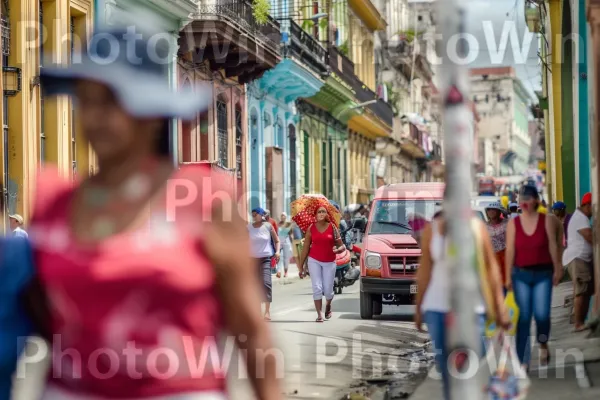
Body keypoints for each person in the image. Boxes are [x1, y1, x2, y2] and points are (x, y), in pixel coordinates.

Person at [28, 20, 282, 400]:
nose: (94, 118)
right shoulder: (54, 206)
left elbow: (250, 329)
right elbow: (42, 315)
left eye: (112, 101)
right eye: (87, 101)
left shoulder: (204, 201)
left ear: (150, 110)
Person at [415, 206, 509, 400]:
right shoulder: (432, 230)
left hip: (472, 307)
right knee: (446, 366)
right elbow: (425, 271)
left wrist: (500, 306)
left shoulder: (476, 227)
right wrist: (418, 307)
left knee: (475, 360)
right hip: (437, 307)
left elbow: (491, 268)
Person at [505, 185, 563, 369]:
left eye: (528, 198)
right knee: (523, 317)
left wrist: (558, 267)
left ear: (536, 200)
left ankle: (543, 344)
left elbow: (554, 246)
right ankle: (523, 360)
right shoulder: (513, 224)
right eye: (523, 199)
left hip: (543, 274)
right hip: (520, 274)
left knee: (542, 315)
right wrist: (507, 276)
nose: (525, 202)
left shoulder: (546, 220)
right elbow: (510, 251)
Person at [296, 203, 345, 322]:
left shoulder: (332, 227)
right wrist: (301, 267)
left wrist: (337, 249)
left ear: (327, 214)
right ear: (315, 215)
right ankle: (319, 315)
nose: (321, 213)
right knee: (317, 287)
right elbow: (306, 248)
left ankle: (328, 304)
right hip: (314, 260)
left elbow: (342, 246)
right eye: (319, 212)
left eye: (323, 211)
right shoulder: (310, 228)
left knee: (328, 290)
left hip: (329, 261)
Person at [562, 193, 594, 332]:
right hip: (577, 258)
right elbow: (589, 237)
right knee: (581, 291)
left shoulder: (580, 217)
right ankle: (579, 323)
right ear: (587, 205)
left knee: (585, 290)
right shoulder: (581, 218)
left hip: (580, 258)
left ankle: (581, 321)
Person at [249, 208, 281, 320]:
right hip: (252, 260)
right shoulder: (248, 227)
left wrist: (277, 252)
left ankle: (267, 311)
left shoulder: (268, 226)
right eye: (252, 215)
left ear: (262, 215)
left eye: (256, 214)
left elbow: (277, 241)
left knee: (266, 283)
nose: (254, 216)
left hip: (265, 259)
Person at [484, 202, 509, 291]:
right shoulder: (484, 226)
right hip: (491, 259)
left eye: (494, 209)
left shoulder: (508, 224)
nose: (491, 212)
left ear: (499, 212)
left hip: (505, 259)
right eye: (489, 210)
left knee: (504, 285)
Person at [276, 212, 293, 278]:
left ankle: (286, 272)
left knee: (286, 258)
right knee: (279, 257)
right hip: (279, 241)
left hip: (286, 241)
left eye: (284, 216)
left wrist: (292, 245)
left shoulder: (288, 224)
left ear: (286, 217)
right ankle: (279, 271)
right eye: (281, 216)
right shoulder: (278, 224)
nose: (283, 217)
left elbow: (291, 234)